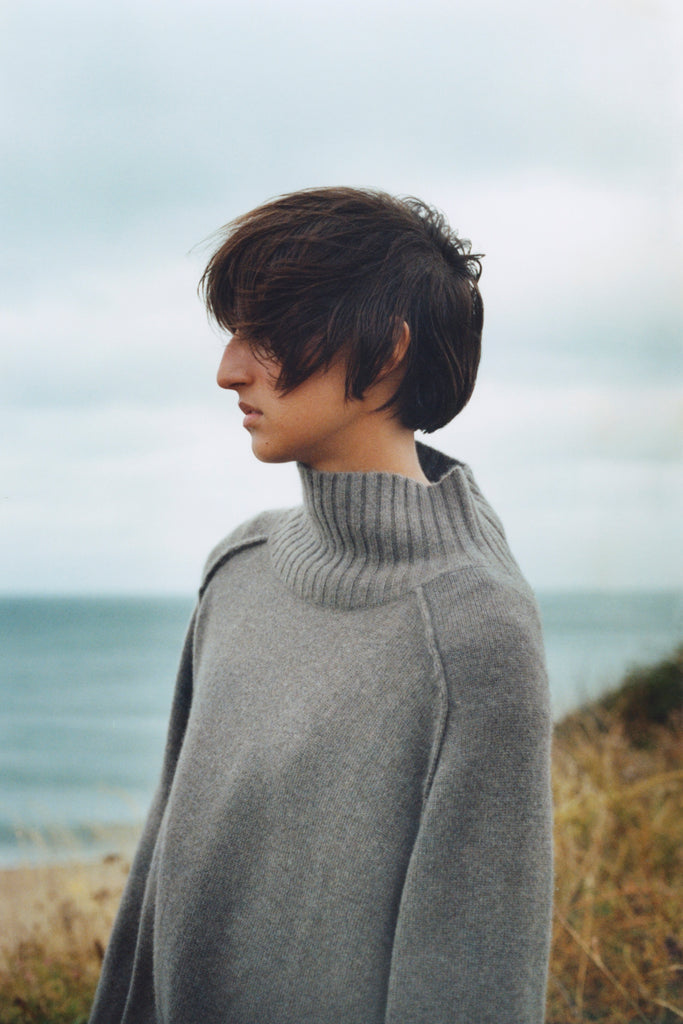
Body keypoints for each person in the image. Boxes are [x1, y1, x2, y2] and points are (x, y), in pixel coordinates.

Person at [89, 187, 553, 1024]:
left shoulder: (474, 633)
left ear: (385, 356)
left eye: (264, 337)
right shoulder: (239, 567)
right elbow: (157, 886)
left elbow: (472, 980)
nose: (228, 369)